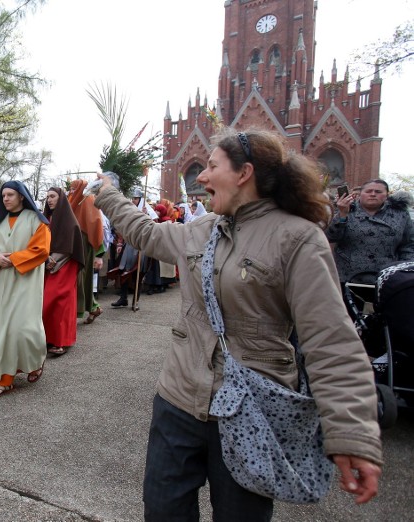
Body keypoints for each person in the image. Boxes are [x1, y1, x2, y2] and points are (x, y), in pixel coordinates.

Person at [93, 128, 382, 519]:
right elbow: (145, 232)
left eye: (212, 166)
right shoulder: (202, 228)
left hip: (252, 408)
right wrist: (107, 192)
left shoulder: (297, 238)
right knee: (162, 510)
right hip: (178, 398)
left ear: (244, 173)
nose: (202, 177)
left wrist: (352, 434)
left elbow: (331, 342)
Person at [0, 181, 50, 398]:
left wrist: (14, 259)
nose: (6, 199)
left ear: (21, 196)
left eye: (10, 195)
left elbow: (41, 250)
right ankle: (4, 380)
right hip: (2, 284)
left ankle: (36, 359)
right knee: (1, 330)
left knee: (25, 328)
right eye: (3, 196)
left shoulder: (37, 222)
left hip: (26, 281)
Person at [326, 178, 414, 285]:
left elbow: (408, 245)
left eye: (378, 192)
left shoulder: (400, 214)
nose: (373, 194)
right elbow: (330, 237)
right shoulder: (347, 209)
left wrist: (404, 271)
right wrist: (342, 215)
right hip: (348, 276)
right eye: (368, 191)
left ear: (386, 195)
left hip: (387, 277)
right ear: (360, 194)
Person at [42, 187, 85, 356]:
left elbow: (70, 246)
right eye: (47, 198)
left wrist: (54, 261)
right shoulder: (46, 219)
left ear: (61, 198)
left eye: (52, 196)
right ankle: (47, 338)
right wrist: (45, 259)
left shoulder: (70, 221)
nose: (49, 200)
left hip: (65, 267)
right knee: (45, 303)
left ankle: (61, 341)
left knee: (60, 303)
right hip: (46, 265)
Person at [68, 179, 105, 324]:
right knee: (77, 279)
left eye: (73, 188)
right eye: (70, 188)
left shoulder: (88, 200)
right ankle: (93, 307)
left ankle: (86, 308)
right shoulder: (72, 200)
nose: (71, 191)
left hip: (84, 244)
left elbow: (97, 224)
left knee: (82, 278)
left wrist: (98, 253)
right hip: (73, 243)